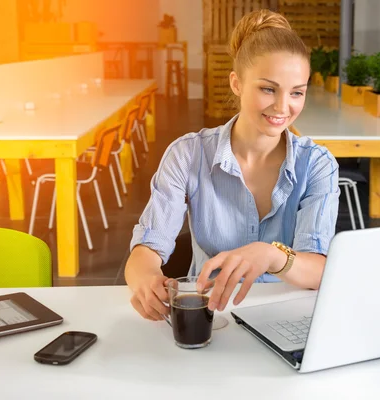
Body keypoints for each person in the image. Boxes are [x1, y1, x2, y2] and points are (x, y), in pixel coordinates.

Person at [124, 9, 340, 321]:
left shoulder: (317, 164)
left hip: (286, 317)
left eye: (296, 93)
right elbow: (146, 250)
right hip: (211, 317)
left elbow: (319, 269)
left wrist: (270, 254)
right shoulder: (187, 155)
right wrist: (144, 281)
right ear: (236, 83)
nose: (283, 107)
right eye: (268, 88)